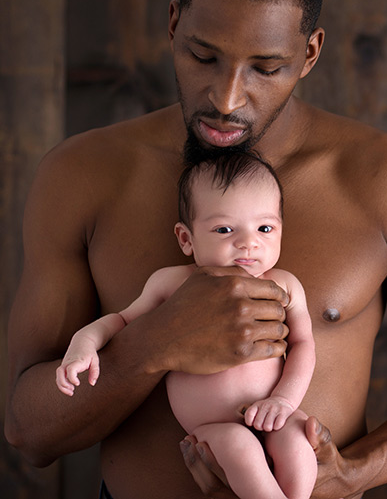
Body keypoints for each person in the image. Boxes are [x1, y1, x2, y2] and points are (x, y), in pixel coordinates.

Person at [5, 0, 387, 499]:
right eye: (203, 56)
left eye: (265, 68)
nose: (227, 98)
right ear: (173, 25)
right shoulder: (82, 174)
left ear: (309, 53)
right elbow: (29, 431)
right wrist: (155, 342)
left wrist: (353, 476)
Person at [55, 152, 316, 499]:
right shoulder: (172, 283)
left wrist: (284, 400)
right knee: (240, 447)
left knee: (298, 437)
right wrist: (84, 341)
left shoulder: (284, 285)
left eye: (265, 228)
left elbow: (303, 344)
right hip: (214, 428)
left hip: (274, 410)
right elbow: (122, 320)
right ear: (186, 239)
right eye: (224, 229)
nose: (248, 242)